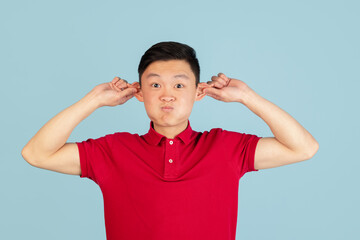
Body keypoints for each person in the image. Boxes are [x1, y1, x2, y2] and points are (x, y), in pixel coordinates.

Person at [22, 41, 319, 240]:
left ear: (198, 92)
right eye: (155, 85)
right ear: (139, 93)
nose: (167, 94)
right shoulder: (112, 151)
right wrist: (93, 100)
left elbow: (303, 147)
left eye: (179, 84)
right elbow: (37, 154)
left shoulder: (226, 148)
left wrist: (246, 96)